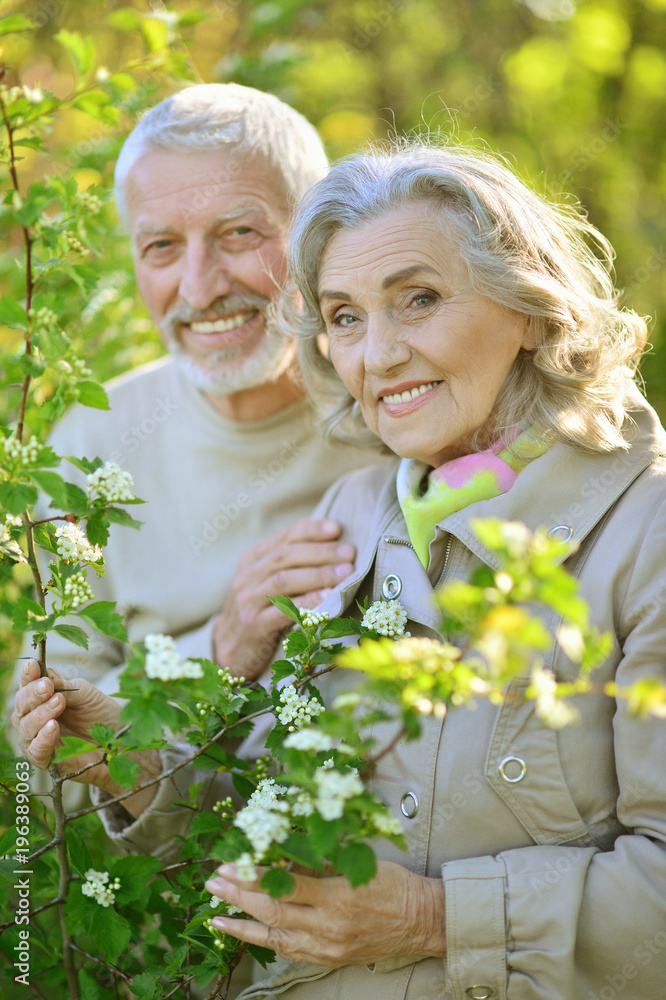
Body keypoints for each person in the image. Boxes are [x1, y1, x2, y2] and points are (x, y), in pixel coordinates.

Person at [14, 141, 666, 999]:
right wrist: (130, 762)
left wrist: (435, 918)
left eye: (419, 299)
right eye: (346, 317)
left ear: (530, 309)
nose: (379, 355)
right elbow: (268, 819)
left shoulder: (647, 531)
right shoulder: (352, 513)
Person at [11, 83, 386, 702]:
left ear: (315, 235)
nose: (200, 289)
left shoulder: (396, 408)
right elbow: (46, 731)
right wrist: (222, 648)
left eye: (238, 233)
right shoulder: (88, 443)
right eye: (161, 246)